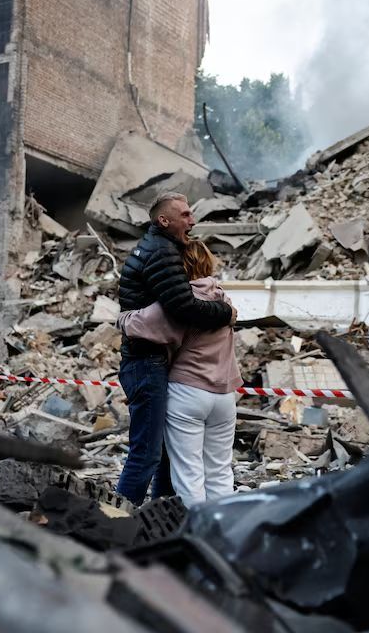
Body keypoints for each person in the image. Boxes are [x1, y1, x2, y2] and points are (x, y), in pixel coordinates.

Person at [115, 193, 235, 506]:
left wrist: (125, 319)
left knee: (170, 460)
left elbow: (157, 316)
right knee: (151, 455)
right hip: (150, 364)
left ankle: (163, 516)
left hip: (165, 373)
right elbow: (181, 308)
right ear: (163, 220)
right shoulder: (163, 253)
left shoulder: (159, 248)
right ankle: (116, 521)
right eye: (185, 215)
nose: (192, 221)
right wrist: (228, 313)